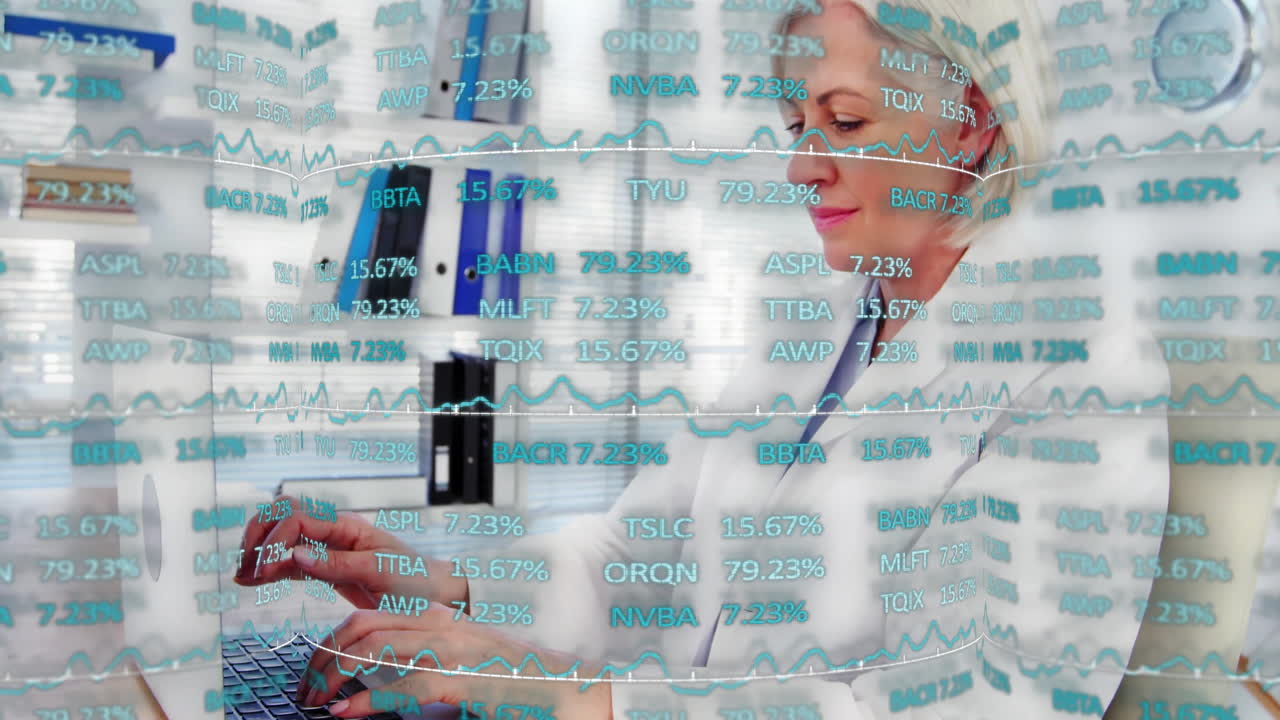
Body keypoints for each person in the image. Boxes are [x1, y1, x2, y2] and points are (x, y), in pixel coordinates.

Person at [236, 1, 1172, 717]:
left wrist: (571, 701)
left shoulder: (1086, 371)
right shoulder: (819, 326)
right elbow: (635, 553)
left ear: (969, 123)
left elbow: (979, 697)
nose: (802, 166)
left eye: (845, 124)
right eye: (798, 123)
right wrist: (443, 587)